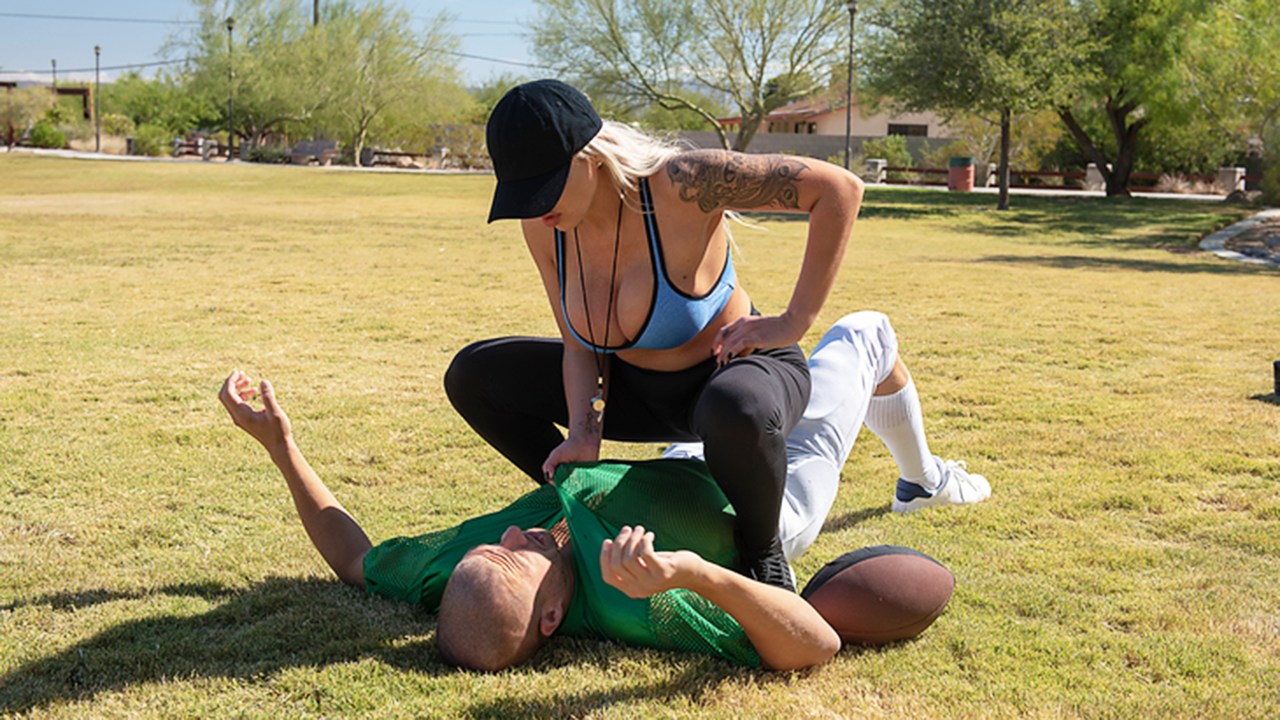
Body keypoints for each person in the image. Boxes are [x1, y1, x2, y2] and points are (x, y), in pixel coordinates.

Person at [219, 311, 989, 672]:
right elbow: (814, 645)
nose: (517, 535)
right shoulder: (635, 599)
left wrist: (281, 448)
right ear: (553, 617)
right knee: (865, 333)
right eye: (517, 559)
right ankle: (924, 479)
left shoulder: (457, 574)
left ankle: (918, 475)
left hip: (672, 462)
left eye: (496, 543)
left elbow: (354, 562)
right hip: (762, 500)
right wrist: (691, 573)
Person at [446, 79, 866, 591]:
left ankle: (761, 550)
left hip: (733, 375)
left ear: (589, 156)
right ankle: (586, 503)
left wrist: (793, 320)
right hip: (636, 391)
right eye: (522, 195)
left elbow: (838, 189)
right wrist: (583, 432)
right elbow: (579, 344)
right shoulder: (544, 224)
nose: (537, 208)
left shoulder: (684, 184)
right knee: (474, 375)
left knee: (737, 409)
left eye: (545, 186)